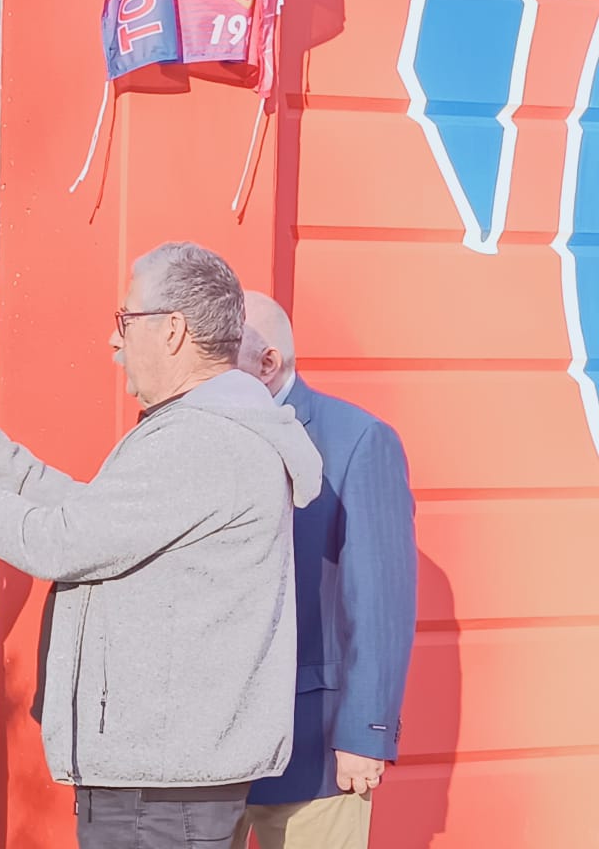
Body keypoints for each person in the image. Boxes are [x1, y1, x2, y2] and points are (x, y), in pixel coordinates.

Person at [0, 241, 323, 849]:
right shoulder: (206, 429)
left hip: (161, 788)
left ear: (173, 330)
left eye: (125, 320)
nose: (113, 340)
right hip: (163, 779)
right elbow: (95, 521)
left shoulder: (200, 440)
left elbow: (59, 543)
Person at [232, 291, 417, 849]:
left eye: (222, 352)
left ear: (268, 362)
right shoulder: (192, 434)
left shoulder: (357, 440)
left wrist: (365, 733)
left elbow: (380, 602)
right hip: (206, 754)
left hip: (311, 752)